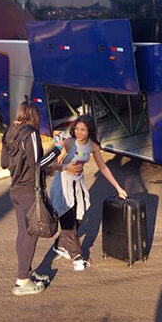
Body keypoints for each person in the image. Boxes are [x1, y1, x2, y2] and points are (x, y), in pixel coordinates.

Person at [0, 101, 80, 296]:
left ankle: (26, 273)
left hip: (16, 190)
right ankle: (22, 280)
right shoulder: (31, 133)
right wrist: (57, 149)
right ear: (33, 116)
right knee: (31, 234)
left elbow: (4, 163)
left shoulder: (10, 132)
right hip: (30, 191)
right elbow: (39, 164)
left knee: (23, 233)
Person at [50, 114, 128, 271]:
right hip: (63, 183)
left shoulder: (93, 146)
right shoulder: (69, 143)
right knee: (69, 219)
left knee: (79, 217)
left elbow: (103, 168)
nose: (78, 132)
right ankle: (77, 256)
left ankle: (60, 244)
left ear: (89, 131)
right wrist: (66, 167)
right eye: (77, 128)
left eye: (83, 130)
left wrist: (118, 188)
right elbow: (53, 164)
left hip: (77, 184)